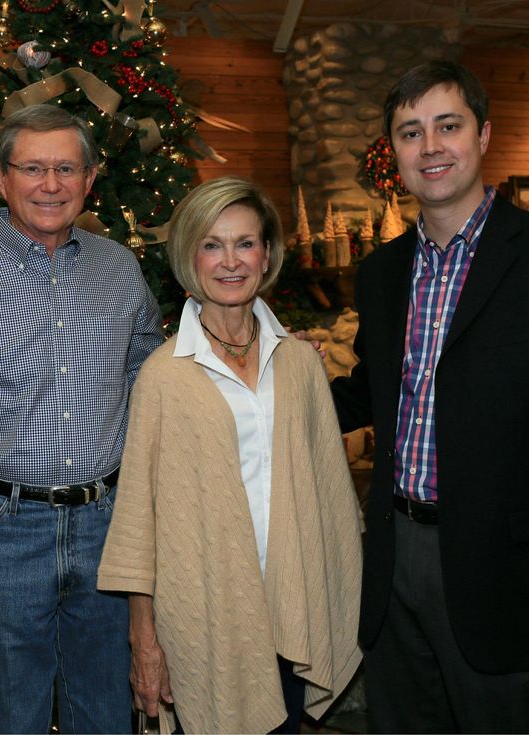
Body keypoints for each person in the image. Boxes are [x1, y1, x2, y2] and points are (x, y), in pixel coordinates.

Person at [330, 60, 529, 733]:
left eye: (448, 125)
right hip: (397, 567)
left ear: (484, 134)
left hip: (514, 584)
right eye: (410, 132)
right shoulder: (381, 273)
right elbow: (368, 395)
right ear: (394, 152)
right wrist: (251, 389)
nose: (430, 146)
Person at [0, 104, 163, 734]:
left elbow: (152, 383)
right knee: (14, 719)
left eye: (66, 168)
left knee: (104, 716)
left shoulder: (119, 270)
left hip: (105, 528)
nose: (51, 185)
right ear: (0, 174)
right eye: (33, 168)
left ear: (91, 179)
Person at [98, 176, 363, 733]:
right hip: (208, 615)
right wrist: (143, 638)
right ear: (189, 256)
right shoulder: (163, 376)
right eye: (212, 244)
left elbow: (332, 500)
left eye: (245, 243)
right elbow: (138, 523)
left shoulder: (300, 364)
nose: (230, 261)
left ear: (267, 254)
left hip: (293, 607)